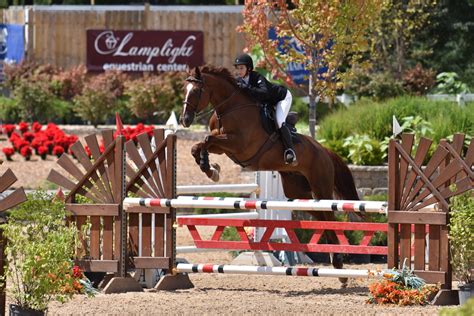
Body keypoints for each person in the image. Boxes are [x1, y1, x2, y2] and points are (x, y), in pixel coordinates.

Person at [233, 53, 297, 165]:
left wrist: (247, 87)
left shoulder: (257, 77)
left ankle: (289, 150)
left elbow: (264, 93)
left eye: (241, 68)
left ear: (249, 68)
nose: (239, 71)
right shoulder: (239, 80)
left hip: (281, 98)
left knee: (279, 121)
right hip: (267, 102)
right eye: (238, 68)